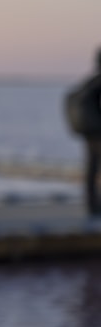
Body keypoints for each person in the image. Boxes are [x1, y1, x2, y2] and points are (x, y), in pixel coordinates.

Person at [66, 48, 101, 215]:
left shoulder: (89, 82)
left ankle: (92, 206)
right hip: (98, 133)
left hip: (89, 133)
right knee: (94, 169)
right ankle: (95, 206)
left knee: (91, 169)